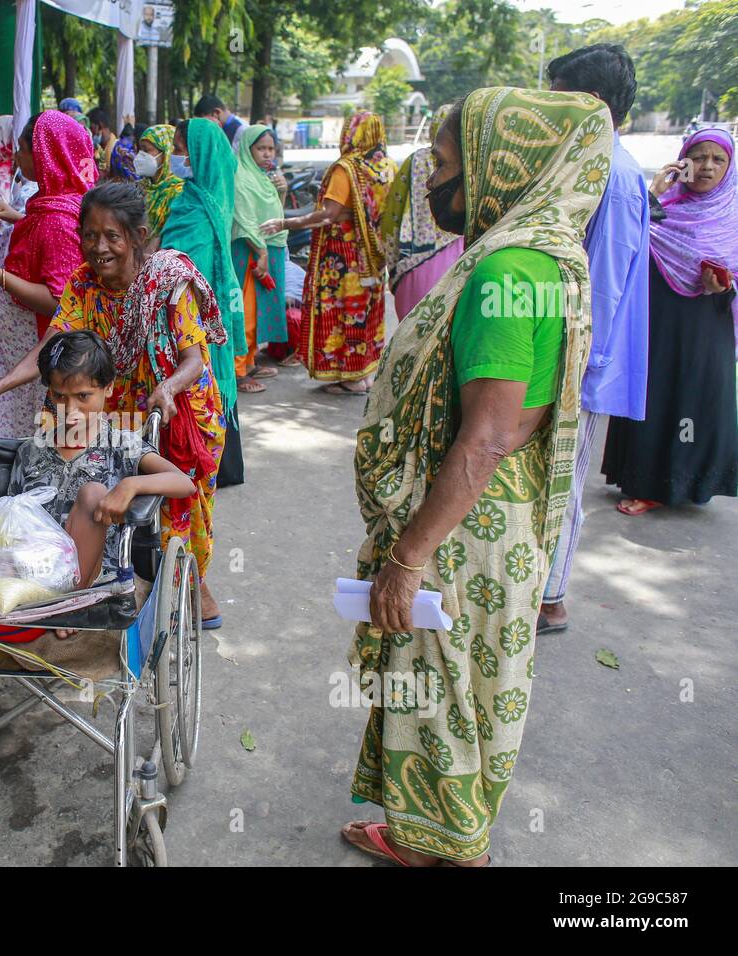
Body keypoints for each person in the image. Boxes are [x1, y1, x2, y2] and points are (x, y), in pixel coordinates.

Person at [341, 89, 613, 866]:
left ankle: (439, 846)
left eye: (448, 166)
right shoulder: (549, 250)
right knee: (471, 684)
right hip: (507, 516)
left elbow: (489, 433)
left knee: (439, 687)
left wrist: (408, 556)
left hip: (464, 527)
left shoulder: (505, 271)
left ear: (500, 168)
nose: (433, 185)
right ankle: (443, 832)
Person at [0, 182, 230, 625]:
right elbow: (51, 345)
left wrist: (168, 389)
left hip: (179, 404)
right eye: (88, 235)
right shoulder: (84, 283)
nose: (98, 247)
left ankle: (196, 586)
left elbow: (194, 359)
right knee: (77, 478)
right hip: (115, 397)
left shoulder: (169, 279)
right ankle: (80, 573)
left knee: (180, 504)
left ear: (138, 236)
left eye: (111, 236)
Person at [538, 44, 650, 634]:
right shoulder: (587, 162)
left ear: (591, 103)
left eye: (556, 97)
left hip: (581, 362)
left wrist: (583, 363)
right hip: (561, 352)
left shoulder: (617, 172)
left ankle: (551, 599)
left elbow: (604, 281)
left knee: (564, 477)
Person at [0, 331, 195, 589]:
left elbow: (184, 483)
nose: (71, 409)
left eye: (83, 396)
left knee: (93, 494)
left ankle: (69, 601)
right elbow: (11, 515)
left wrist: (131, 485)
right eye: (60, 396)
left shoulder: (121, 444)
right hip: (23, 561)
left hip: (83, 570)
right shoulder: (33, 449)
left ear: (108, 387)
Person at [601, 127, 737, 515]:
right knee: (656, 393)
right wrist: (654, 194)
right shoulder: (662, 208)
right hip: (658, 320)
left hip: (707, 325)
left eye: (718, 159)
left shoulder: (732, 214)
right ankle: (648, 482)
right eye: (698, 156)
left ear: (730, 166)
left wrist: (723, 287)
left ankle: (690, 481)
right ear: (683, 160)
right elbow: (623, 235)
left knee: (694, 398)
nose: (707, 166)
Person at [0, 110, 96, 438]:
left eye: (22, 149)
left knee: (28, 439)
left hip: (37, 355)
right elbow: (53, 253)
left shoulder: (55, 220)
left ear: (45, 154)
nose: (16, 156)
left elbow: (60, 301)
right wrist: (19, 218)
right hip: (27, 351)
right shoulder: (58, 203)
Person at [264, 111, 396, 395]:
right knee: (367, 312)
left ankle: (350, 378)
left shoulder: (346, 169)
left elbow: (327, 215)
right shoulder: (385, 167)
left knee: (344, 312)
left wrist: (285, 222)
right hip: (373, 256)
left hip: (343, 256)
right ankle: (365, 374)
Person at [162, 117, 247, 492]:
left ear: (198, 154)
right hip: (210, 308)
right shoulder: (213, 194)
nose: (176, 157)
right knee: (206, 370)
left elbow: (181, 261)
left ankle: (205, 461)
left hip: (193, 308)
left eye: (181, 149)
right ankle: (222, 464)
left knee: (195, 370)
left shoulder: (195, 204)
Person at [379, 104, 465, 320]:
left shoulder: (416, 160)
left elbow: (392, 215)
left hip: (415, 262)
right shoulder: (470, 162)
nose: (430, 182)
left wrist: (393, 260)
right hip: (459, 253)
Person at [231, 125, 289, 392]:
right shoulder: (241, 176)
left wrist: (282, 192)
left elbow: (275, 211)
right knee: (247, 311)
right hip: (251, 251)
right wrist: (261, 252)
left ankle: (250, 360)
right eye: (261, 149)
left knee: (260, 308)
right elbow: (245, 219)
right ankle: (238, 370)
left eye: (271, 149)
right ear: (247, 149)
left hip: (268, 247)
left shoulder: (265, 177)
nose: (267, 154)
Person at [135, 124, 184, 238]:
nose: (141, 155)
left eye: (147, 150)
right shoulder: (141, 188)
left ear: (167, 153)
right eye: (140, 150)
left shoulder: (178, 192)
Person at [89, 108, 118, 180]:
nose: (92, 134)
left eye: (92, 129)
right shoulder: (97, 148)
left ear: (100, 125)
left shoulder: (115, 148)